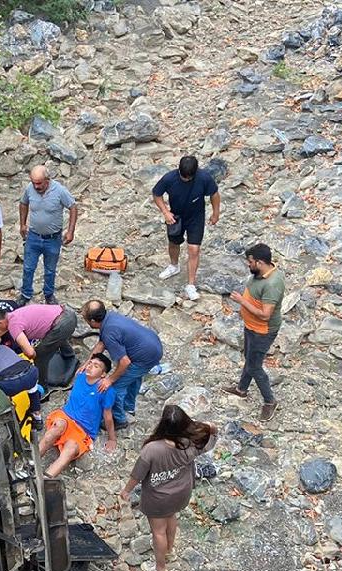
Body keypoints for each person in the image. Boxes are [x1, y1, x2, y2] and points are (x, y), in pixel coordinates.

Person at [118, 406, 218, 571]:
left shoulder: (152, 449)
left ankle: (160, 569)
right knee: (171, 517)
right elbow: (211, 441)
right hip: (182, 492)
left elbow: (137, 475)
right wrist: (212, 428)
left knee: (158, 532)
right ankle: (169, 551)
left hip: (158, 498)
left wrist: (126, 491)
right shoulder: (192, 442)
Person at [221, 243, 286, 422]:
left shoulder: (272, 284)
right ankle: (241, 389)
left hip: (262, 331)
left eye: (250, 262)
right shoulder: (259, 274)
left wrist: (242, 301)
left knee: (254, 366)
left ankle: (270, 401)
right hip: (251, 326)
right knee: (249, 358)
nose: (248, 265)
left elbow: (265, 315)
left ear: (260, 262)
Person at [80, 300, 163, 430]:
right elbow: (101, 344)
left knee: (116, 388)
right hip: (152, 346)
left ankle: (119, 419)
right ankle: (129, 407)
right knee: (133, 378)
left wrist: (110, 380)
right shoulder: (110, 317)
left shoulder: (109, 332)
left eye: (85, 319)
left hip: (145, 357)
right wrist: (87, 363)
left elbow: (125, 362)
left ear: (93, 321)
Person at [152, 155, 221, 301]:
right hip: (175, 216)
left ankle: (190, 284)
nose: (186, 180)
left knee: (194, 249)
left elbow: (214, 194)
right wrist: (165, 212)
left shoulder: (204, 178)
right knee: (174, 243)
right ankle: (174, 266)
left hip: (196, 217)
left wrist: (216, 213)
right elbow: (157, 194)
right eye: (183, 177)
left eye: (189, 178)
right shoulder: (169, 178)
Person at [38, 353, 117, 478]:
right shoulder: (80, 375)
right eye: (90, 363)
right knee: (56, 428)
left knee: (70, 449)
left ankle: (45, 478)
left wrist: (112, 438)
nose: (90, 366)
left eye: (96, 366)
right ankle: (32, 463)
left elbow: (108, 416)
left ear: (103, 374)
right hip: (66, 416)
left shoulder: (106, 391)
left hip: (83, 429)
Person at [18, 165, 78, 305]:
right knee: (28, 268)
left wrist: (70, 231)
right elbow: (23, 203)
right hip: (33, 236)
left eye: (39, 183)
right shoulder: (30, 189)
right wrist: (22, 224)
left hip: (53, 239)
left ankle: (49, 295)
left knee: (50, 270)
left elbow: (73, 207)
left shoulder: (60, 191)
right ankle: (25, 294)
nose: (36, 186)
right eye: (34, 183)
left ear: (47, 180)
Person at [0, 302, 76, 388]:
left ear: (0, 322)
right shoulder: (15, 313)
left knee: (40, 355)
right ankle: (69, 355)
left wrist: (30, 356)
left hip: (63, 325)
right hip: (67, 314)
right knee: (53, 339)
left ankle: (43, 386)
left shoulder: (13, 326)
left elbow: (30, 353)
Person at [0, 333, 41, 421]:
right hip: (30, 373)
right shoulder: (3, 347)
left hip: (9, 384)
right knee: (32, 388)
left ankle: (10, 417)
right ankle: (37, 417)